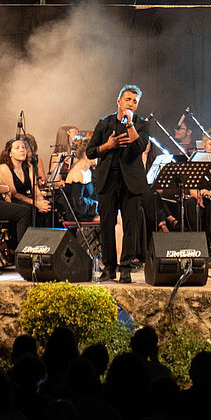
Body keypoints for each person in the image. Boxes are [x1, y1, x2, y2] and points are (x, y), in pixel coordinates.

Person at [88, 84, 150, 283]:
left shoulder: (141, 124)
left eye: (134, 101)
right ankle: (109, 268)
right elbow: (91, 151)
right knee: (107, 225)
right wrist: (108, 145)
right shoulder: (104, 123)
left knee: (131, 226)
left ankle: (125, 268)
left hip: (131, 182)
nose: (131, 103)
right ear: (118, 101)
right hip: (108, 181)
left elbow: (139, 147)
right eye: (128, 100)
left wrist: (130, 124)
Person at [0, 137, 51, 224]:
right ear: (10, 153)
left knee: (49, 208)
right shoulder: (4, 168)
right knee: (31, 210)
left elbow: (35, 188)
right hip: (12, 202)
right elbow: (14, 194)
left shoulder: (28, 166)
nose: (22, 150)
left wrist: (42, 202)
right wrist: (36, 204)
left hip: (26, 200)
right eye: (17, 148)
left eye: (23, 147)